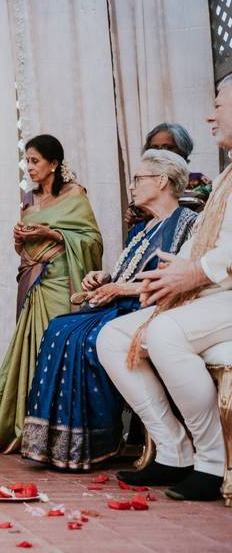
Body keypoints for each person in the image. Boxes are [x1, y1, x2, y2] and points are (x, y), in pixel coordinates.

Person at [97, 76, 232, 501]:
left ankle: (213, 462)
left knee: (164, 331)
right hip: (217, 289)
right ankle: (173, 449)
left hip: (224, 291)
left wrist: (194, 273)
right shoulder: (228, 174)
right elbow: (208, 237)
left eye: (218, 104)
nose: (210, 114)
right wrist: (176, 270)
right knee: (113, 336)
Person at [22, 150, 197, 470]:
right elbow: (125, 274)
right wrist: (104, 278)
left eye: (138, 179)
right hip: (125, 304)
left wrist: (119, 289)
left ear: (161, 181)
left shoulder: (187, 223)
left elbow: (176, 282)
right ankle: (61, 443)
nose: (132, 187)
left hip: (154, 309)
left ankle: (96, 441)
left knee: (81, 338)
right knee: (59, 328)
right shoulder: (144, 229)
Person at [0, 134, 103, 454]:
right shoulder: (30, 200)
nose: (29, 167)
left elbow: (91, 240)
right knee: (30, 351)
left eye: (35, 161)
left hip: (61, 281)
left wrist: (53, 233)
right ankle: (29, 427)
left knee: (57, 350)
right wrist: (19, 237)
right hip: (33, 281)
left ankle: (61, 432)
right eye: (27, 161)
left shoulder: (75, 195)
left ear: (54, 164)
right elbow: (25, 248)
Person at [127, 122, 211, 225]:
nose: (161, 152)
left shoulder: (199, 182)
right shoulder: (145, 182)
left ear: (183, 150)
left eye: (168, 147)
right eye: (155, 147)